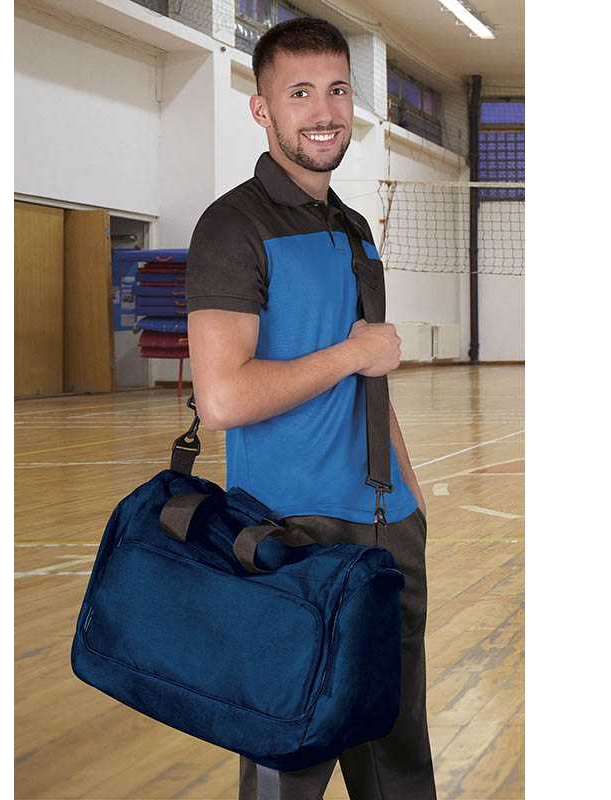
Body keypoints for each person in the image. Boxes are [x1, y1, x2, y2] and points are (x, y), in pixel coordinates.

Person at [185, 16, 437, 800]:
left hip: (387, 535)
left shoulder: (356, 232)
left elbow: (372, 379)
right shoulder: (233, 226)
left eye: (337, 90)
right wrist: (353, 354)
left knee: (399, 765)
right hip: (289, 538)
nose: (324, 111)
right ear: (262, 109)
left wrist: (412, 500)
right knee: (287, 767)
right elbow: (222, 397)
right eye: (300, 93)